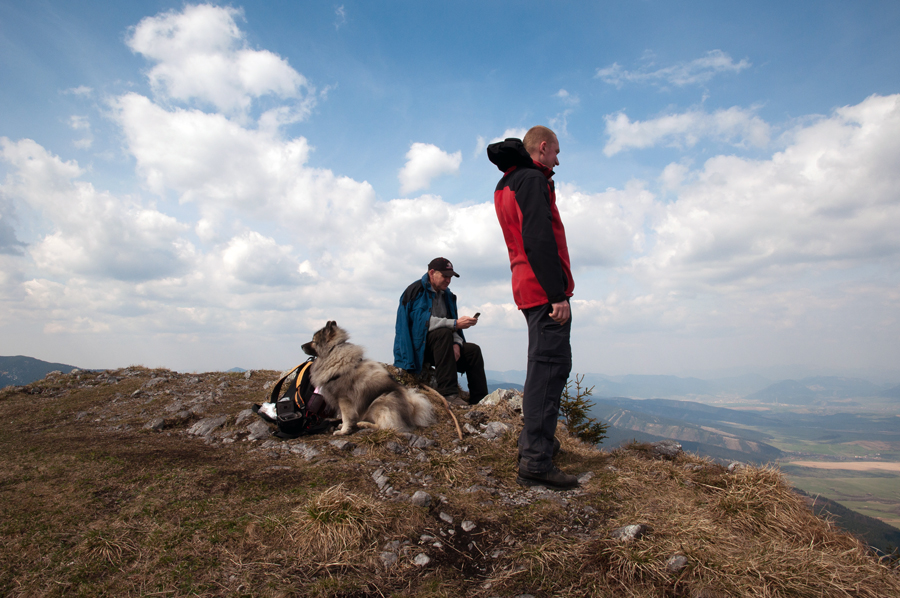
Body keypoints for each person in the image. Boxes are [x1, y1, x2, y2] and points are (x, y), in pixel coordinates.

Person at [487, 126, 577, 489]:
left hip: (526, 285)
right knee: (550, 368)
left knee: (544, 365)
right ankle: (537, 459)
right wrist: (558, 294)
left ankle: (535, 444)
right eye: (556, 152)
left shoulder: (507, 183)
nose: (558, 159)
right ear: (543, 148)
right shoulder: (532, 181)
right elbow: (537, 236)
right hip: (543, 290)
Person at [393, 257, 488, 406]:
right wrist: (456, 324)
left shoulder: (447, 295)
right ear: (432, 273)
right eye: (445, 276)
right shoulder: (416, 291)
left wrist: (457, 343)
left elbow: (450, 322)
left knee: (473, 351)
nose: (448, 280)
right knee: (443, 333)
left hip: (441, 347)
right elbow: (422, 324)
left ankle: (480, 399)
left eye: (450, 277)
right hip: (418, 348)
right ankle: (449, 393)